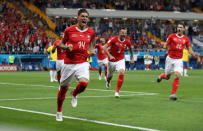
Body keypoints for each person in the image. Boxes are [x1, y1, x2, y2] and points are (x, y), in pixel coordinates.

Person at [56, 9, 95, 121]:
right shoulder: (69, 30)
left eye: (86, 17)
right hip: (68, 63)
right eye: (82, 16)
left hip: (82, 62)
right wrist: (66, 47)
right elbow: (60, 44)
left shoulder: (91, 32)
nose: (84, 18)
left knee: (84, 84)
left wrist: (92, 51)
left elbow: (92, 44)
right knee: (63, 89)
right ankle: (59, 111)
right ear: (77, 17)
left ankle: (74, 93)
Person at [157, 23, 198, 101]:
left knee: (177, 75)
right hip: (170, 58)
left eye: (181, 27)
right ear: (177, 29)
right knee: (167, 77)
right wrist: (165, 45)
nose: (179, 28)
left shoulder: (186, 39)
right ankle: (161, 76)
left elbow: (189, 48)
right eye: (178, 27)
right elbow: (166, 44)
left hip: (179, 59)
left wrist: (193, 53)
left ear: (183, 29)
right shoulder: (172, 36)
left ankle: (173, 94)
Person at [103, 28, 134, 97]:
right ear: (119, 33)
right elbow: (104, 48)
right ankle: (108, 82)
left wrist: (132, 57)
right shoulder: (113, 39)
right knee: (109, 76)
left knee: (121, 72)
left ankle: (117, 91)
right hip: (111, 61)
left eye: (125, 33)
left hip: (120, 60)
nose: (124, 34)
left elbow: (131, 49)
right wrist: (110, 56)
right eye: (122, 33)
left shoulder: (127, 42)